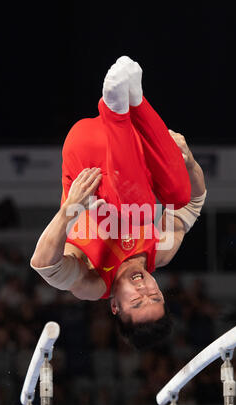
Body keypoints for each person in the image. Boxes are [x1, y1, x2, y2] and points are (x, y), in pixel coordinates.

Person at [31, 56, 206, 349]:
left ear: (116, 307)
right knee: (179, 195)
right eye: (155, 296)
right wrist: (188, 162)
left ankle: (116, 108)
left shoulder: (94, 283)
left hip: (88, 156)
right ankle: (135, 100)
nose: (144, 288)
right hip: (128, 139)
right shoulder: (161, 252)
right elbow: (195, 203)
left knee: (142, 212)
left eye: (137, 302)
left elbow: (44, 265)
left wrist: (70, 209)